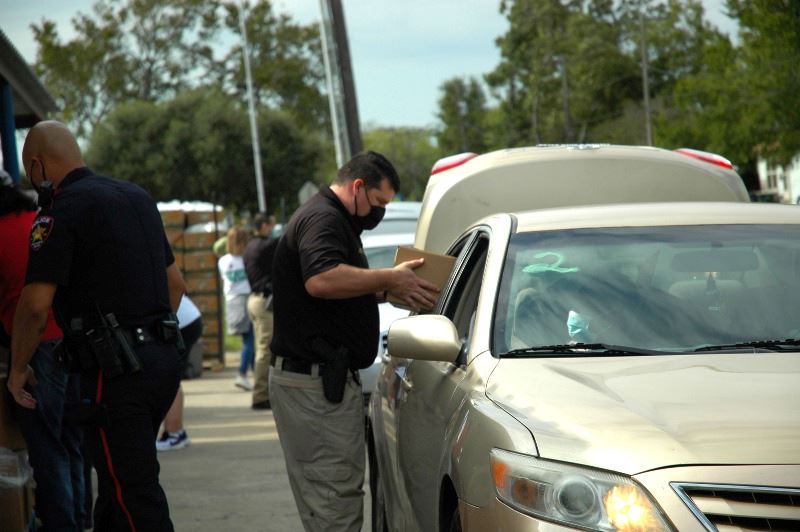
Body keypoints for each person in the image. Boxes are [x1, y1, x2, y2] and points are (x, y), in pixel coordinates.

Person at [10, 121, 185, 531]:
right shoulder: (136, 196)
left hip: (115, 373)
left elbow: (35, 307)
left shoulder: (60, 212)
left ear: (36, 166)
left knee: (132, 497)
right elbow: (176, 285)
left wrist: (18, 370)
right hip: (161, 360)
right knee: (114, 487)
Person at [269, 151, 439, 531]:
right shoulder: (324, 219)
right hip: (314, 386)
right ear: (357, 186)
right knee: (334, 501)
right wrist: (388, 278)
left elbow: (333, 291)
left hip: (322, 382)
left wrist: (386, 291)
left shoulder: (335, 220)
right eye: (378, 202)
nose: (379, 213)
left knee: (335, 498)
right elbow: (321, 279)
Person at [0, 166, 86, 530]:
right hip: (70, 336)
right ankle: (78, 516)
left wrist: (17, 363)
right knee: (70, 437)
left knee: (46, 445)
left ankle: (61, 524)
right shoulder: (38, 222)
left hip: (36, 344)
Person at [156, 294, 203, 451]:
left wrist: (170, 319)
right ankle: (176, 432)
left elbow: (178, 286)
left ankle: (174, 434)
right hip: (184, 320)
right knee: (169, 377)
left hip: (181, 323)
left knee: (168, 378)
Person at [243, 213, 277, 409]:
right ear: (263, 225)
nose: (272, 229)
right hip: (264, 302)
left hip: (256, 300)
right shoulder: (264, 245)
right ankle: (261, 395)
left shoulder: (251, 245)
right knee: (266, 350)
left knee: (263, 348)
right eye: (271, 225)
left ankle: (263, 393)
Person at [218, 225, 255, 391]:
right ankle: (242, 373)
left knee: (248, 339)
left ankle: (254, 372)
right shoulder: (246, 259)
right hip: (245, 298)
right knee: (250, 340)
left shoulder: (223, 261)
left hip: (231, 300)